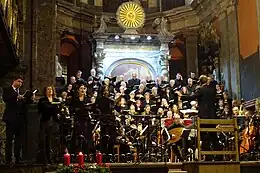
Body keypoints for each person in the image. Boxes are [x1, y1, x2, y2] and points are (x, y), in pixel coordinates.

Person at [2, 76, 34, 164]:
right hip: (11, 118)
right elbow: (6, 99)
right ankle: (8, 159)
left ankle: (17, 158)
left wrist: (30, 99)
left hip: (21, 119)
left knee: (19, 140)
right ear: (14, 81)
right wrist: (16, 97)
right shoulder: (7, 90)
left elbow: (25, 103)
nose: (20, 83)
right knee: (9, 139)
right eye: (19, 81)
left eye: (21, 82)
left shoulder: (22, 91)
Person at [37, 86, 60, 165]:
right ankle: (44, 159)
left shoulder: (56, 100)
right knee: (43, 140)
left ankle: (52, 158)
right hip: (45, 121)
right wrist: (51, 106)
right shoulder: (42, 100)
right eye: (48, 89)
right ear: (45, 91)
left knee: (52, 140)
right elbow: (42, 109)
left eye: (51, 89)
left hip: (53, 122)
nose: (50, 91)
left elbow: (57, 110)